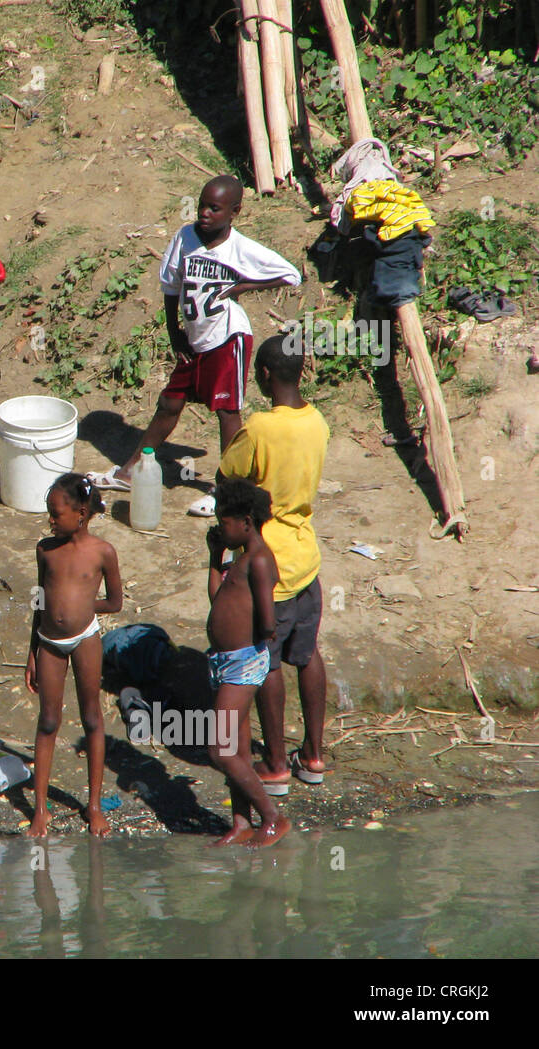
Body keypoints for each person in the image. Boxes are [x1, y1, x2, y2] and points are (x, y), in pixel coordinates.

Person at [100, 175, 301, 517]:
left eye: (214, 208)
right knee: (169, 402)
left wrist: (242, 288)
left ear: (234, 211)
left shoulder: (240, 248)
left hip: (227, 338)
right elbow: (170, 285)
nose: (204, 213)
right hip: (194, 338)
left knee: (226, 412)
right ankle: (130, 471)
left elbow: (291, 274)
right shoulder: (186, 237)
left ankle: (227, 491)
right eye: (201, 205)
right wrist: (173, 330)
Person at [218, 334, 330, 795]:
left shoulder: (262, 428)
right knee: (307, 655)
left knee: (267, 661)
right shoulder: (317, 421)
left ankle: (277, 763)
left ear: (264, 375)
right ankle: (315, 756)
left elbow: (228, 476)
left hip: (273, 564)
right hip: (308, 556)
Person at [24, 474, 123, 838]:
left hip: (85, 639)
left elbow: (114, 602)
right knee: (48, 720)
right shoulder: (45, 549)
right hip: (48, 641)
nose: (50, 520)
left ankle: (94, 806)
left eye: (55, 513)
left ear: (81, 513)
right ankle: (39, 811)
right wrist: (31, 651)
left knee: (92, 717)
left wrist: (82, 605)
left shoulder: (102, 552)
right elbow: (39, 599)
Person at [204, 478, 291, 848]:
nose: (221, 529)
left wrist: (260, 631)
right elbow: (216, 597)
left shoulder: (257, 559)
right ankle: (241, 822)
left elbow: (267, 619)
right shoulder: (240, 558)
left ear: (246, 521)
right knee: (236, 751)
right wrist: (214, 557)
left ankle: (272, 818)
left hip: (242, 664)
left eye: (225, 523)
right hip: (225, 662)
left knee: (218, 748)